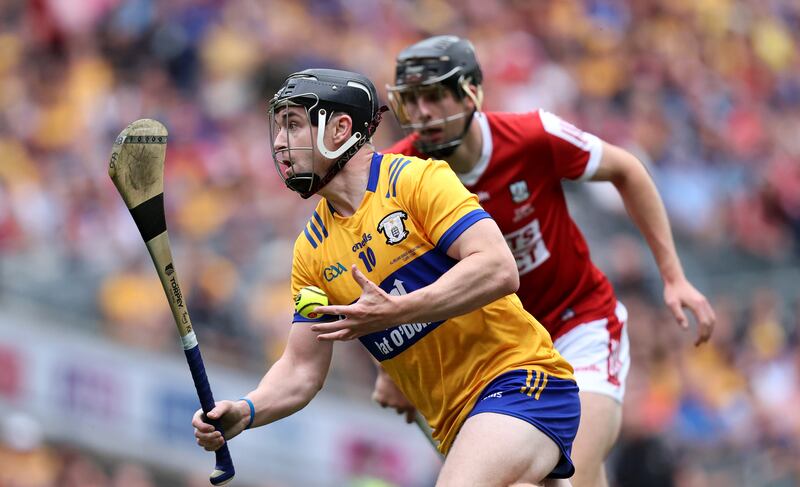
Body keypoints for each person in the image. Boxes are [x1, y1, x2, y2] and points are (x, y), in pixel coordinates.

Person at [192, 68, 581, 486]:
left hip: (523, 381)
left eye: (293, 124)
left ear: (340, 128)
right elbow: (302, 369)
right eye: (279, 127)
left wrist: (397, 311)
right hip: (457, 423)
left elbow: (498, 268)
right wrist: (247, 410)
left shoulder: (416, 181)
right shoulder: (312, 250)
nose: (278, 142)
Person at [375, 35, 717, 487]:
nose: (422, 115)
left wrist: (674, 277)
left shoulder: (533, 136)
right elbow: (384, 275)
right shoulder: (397, 177)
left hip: (578, 327)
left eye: (435, 97)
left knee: (563, 470)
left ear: (471, 93)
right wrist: (392, 369)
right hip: (502, 355)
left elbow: (627, 169)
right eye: (412, 101)